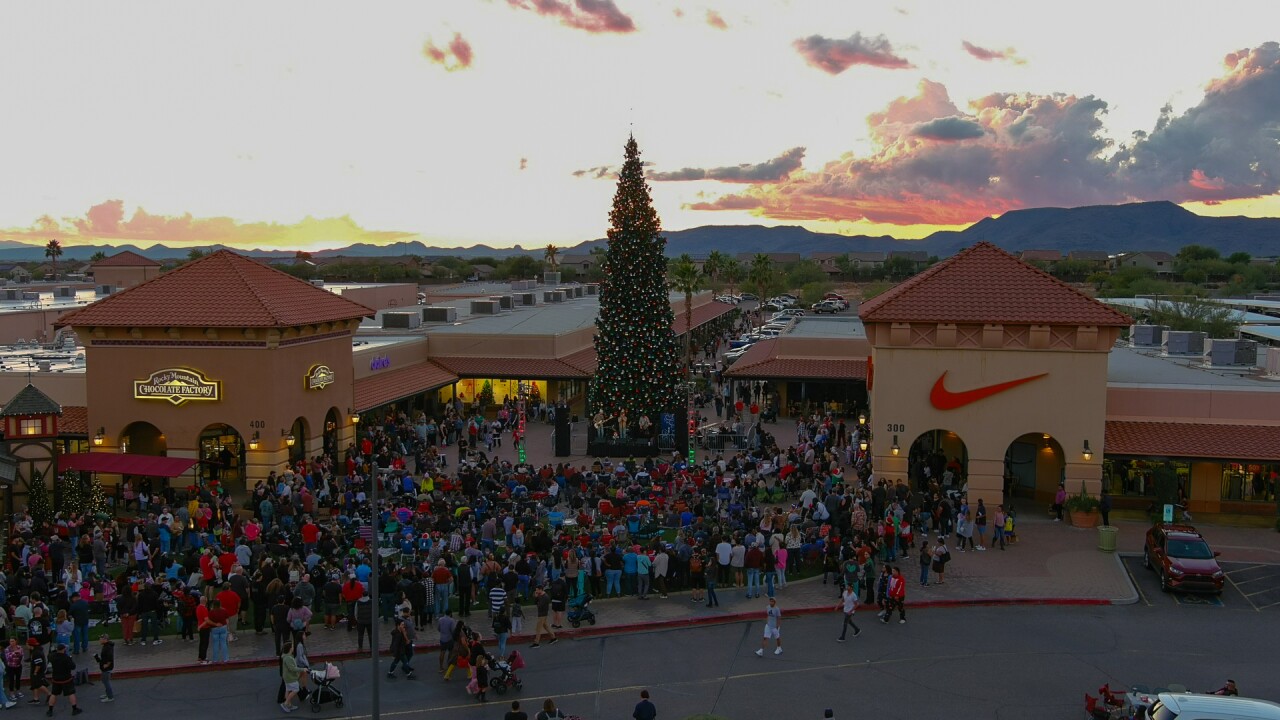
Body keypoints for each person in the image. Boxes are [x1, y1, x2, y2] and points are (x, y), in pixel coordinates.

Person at [45, 644, 81, 716]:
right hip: (66, 679)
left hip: (56, 679)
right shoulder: (66, 658)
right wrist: (70, 659)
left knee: (54, 694)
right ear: (64, 649)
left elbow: (49, 656)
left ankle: (50, 710)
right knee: (71, 693)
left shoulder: (52, 657)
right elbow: (73, 667)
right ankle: (74, 709)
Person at [279, 641, 305, 713]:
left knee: (288, 690)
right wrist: (302, 669)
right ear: (290, 649)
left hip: (287, 677)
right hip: (291, 677)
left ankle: (289, 705)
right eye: (293, 646)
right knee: (296, 689)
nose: (294, 648)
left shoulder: (287, 656)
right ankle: (286, 703)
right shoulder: (288, 658)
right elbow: (292, 669)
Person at [94, 634, 114, 703]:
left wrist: (107, 664)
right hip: (104, 667)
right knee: (104, 680)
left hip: (106, 668)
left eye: (101, 639)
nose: (99, 640)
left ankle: (110, 697)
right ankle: (107, 694)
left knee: (106, 682)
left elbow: (110, 657)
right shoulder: (106, 646)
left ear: (105, 640)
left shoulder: (108, 647)